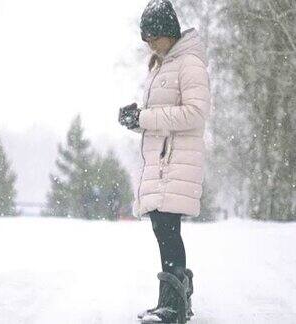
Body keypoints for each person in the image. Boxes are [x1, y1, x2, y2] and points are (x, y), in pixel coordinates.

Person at [118, 0, 211, 322]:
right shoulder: (161, 66)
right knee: (164, 228)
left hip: (177, 162)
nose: (150, 44)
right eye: (145, 38)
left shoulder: (189, 64)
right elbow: (160, 121)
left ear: (170, 32)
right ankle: (174, 300)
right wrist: (136, 121)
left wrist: (145, 117)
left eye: (154, 37)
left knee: (168, 230)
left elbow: (196, 113)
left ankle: (174, 306)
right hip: (162, 163)